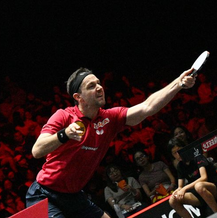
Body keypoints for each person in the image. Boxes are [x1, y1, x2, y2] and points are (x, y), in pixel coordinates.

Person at [26, 65, 196, 218]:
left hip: (74, 196)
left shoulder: (110, 118)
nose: (99, 88)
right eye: (91, 86)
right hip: (45, 195)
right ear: (79, 97)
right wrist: (65, 134)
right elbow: (37, 150)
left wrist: (178, 83)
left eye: (98, 83)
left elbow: (147, 107)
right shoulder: (64, 116)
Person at [167, 138, 217, 218]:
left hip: (215, 187)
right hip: (199, 193)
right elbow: (180, 186)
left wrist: (184, 189)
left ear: (184, 148)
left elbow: (204, 177)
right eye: (174, 153)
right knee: (172, 201)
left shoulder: (197, 156)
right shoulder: (180, 166)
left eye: (179, 150)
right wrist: (176, 192)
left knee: (199, 186)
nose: (178, 154)